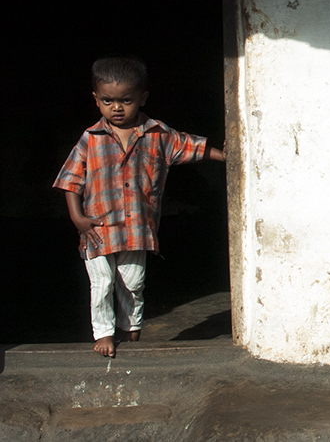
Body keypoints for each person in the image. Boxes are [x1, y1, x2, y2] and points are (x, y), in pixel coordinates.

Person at [53, 56, 225, 357]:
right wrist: (78, 218)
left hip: (135, 229)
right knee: (103, 281)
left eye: (126, 100)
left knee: (132, 282)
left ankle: (131, 326)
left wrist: (221, 155)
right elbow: (70, 180)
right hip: (97, 228)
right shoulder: (90, 139)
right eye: (108, 101)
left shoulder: (157, 134)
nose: (116, 108)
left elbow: (189, 146)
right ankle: (104, 333)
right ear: (96, 100)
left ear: (142, 98)